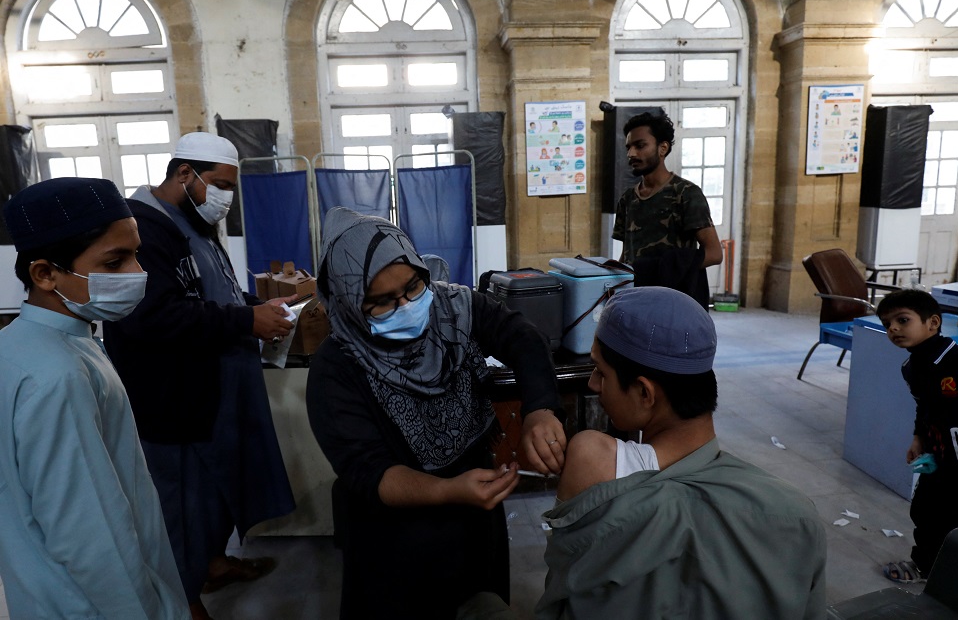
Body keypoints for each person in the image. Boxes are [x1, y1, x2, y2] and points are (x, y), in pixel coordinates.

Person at [306, 207, 566, 619]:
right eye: (382, 303)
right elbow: (369, 471)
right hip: (392, 532)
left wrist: (540, 409)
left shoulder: (453, 308)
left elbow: (521, 337)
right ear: (350, 302)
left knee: (478, 601)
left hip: (473, 512)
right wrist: (447, 490)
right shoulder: (336, 369)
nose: (408, 306)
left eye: (413, 286)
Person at [537, 287, 827, 619]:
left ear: (645, 393)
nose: (592, 383)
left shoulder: (594, 460)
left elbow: (561, 600)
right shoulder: (798, 516)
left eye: (601, 372)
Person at [102, 133, 296, 620]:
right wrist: (247, 322)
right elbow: (155, 317)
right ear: (184, 174)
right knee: (182, 508)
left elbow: (213, 296)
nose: (226, 198)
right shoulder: (145, 230)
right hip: (171, 402)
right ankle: (184, 601)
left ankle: (211, 564)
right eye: (220, 185)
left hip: (209, 394)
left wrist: (257, 307)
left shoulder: (192, 225)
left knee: (214, 497)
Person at [0, 178, 188, 618]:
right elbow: (91, 533)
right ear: (45, 274)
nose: (137, 272)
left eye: (136, 253)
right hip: (93, 605)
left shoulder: (19, 347)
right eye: (115, 261)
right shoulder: (59, 376)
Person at [876, 289, 958, 583]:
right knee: (927, 513)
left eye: (902, 320)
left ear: (932, 322)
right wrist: (918, 438)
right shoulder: (911, 368)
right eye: (887, 324)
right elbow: (925, 407)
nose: (893, 329)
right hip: (943, 463)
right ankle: (926, 565)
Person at [613, 112, 723, 308]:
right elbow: (627, 255)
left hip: (674, 302)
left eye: (640, 146)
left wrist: (668, 268)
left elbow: (714, 253)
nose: (631, 154)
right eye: (628, 147)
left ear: (663, 148)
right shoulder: (628, 199)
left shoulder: (686, 194)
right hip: (636, 299)